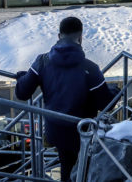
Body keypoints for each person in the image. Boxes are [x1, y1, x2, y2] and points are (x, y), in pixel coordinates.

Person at [15, 17, 113, 182]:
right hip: (82, 132)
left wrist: (23, 78)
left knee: (67, 167)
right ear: (80, 38)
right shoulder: (90, 68)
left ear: (59, 36)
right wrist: (114, 90)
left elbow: (22, 93)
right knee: (84, 170)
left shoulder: (42, 61)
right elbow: (105, 104)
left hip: (56, 130)